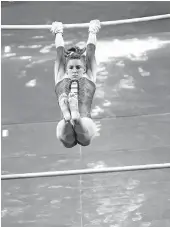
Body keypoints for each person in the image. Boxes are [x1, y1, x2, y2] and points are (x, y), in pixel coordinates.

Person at [51, 19, 101, 148]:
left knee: (67, 142)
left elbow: (60, 53)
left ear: (83, 69)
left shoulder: (60, 77)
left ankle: (69, 118)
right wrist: (93, 30)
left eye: (78, 67)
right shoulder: (89, 77)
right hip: (86, 121)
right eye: (71, 68)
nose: (74, 70)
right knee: (85, 141)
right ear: (67, 69)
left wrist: (58, 32)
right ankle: (75, 118)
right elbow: (90, 52)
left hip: (64, 124)